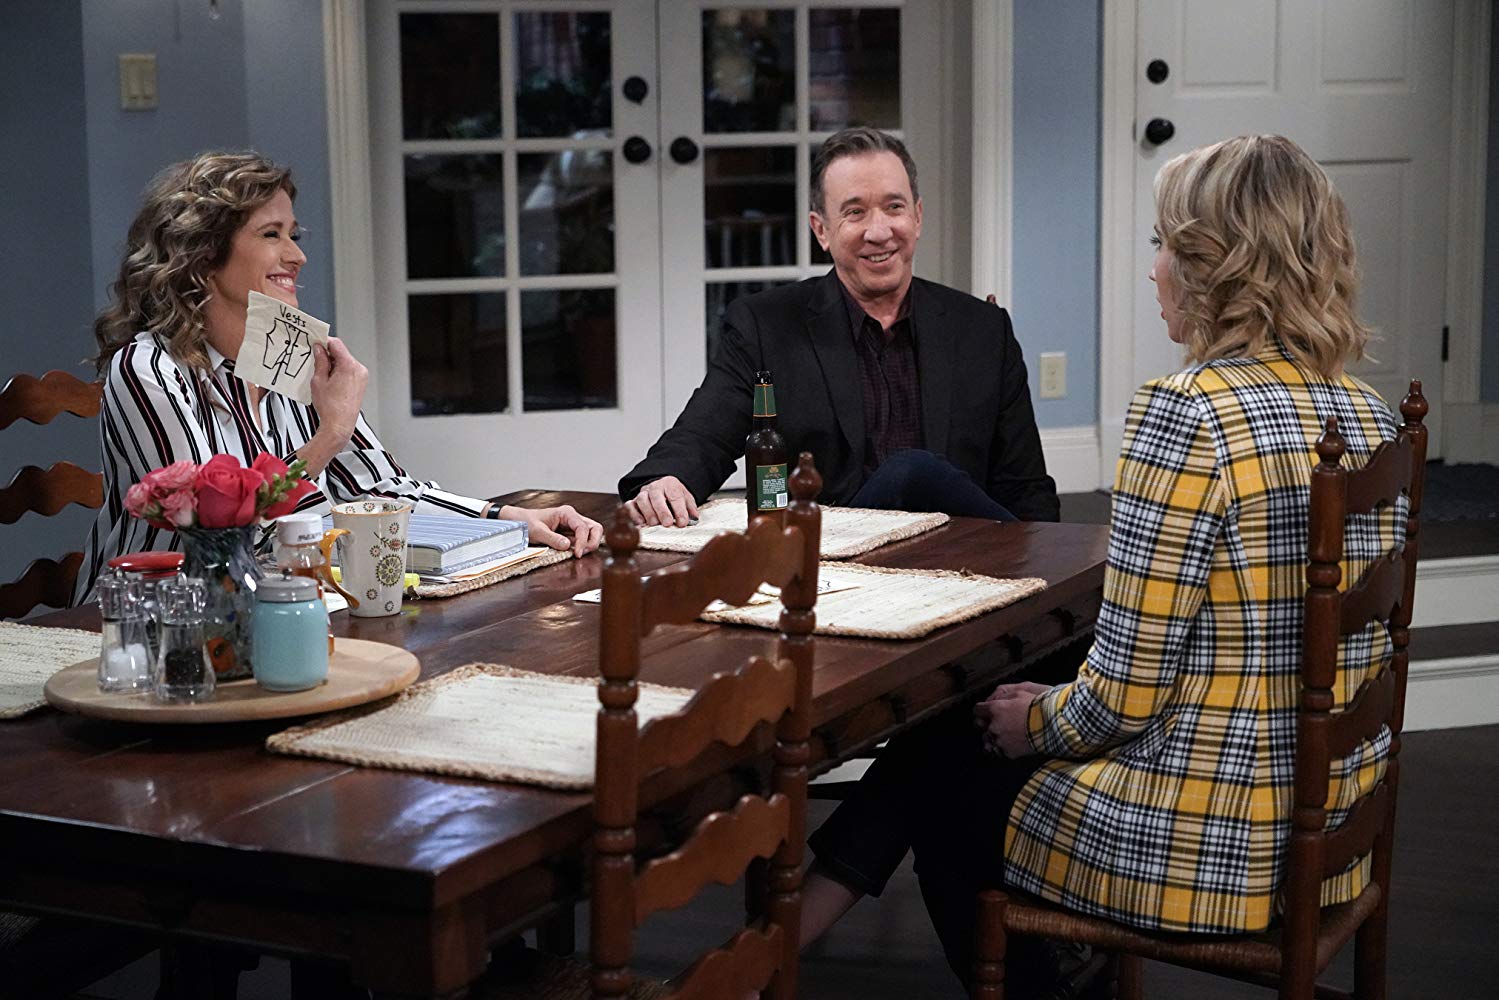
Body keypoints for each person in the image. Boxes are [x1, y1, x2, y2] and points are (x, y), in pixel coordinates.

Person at [801, 135, 1405, 992]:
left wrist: (1036, 722)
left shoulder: (1188, 415)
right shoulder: (1368, 414)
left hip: (1213, 843)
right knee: (960, 736)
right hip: (1332, 821)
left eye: (1162, 245)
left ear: (1212, 266)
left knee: (951, 773)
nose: (1152, 270)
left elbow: (1123, 697)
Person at [76, 152, 602, 602]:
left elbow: (378, 488)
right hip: (152, 619)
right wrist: (330, 434)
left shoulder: (289, 350)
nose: (297, 255)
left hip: (274, 602)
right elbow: (215, 533)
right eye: (271, 235)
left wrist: (504, 517)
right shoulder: (148, 369)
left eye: (294, 235)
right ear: (203, 255)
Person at [619, 127, 1058, 526]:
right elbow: (704, 435)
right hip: (832, 562)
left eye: (894, 207)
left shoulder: (984, 330)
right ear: (822, 230)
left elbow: (1026, 488)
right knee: (911, 471)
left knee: (918, 473)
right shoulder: (766, 327)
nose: (879, 231)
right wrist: (667, 479)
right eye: (855, 212)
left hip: (961, 559)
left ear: (918, 217)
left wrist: (1049, 568)